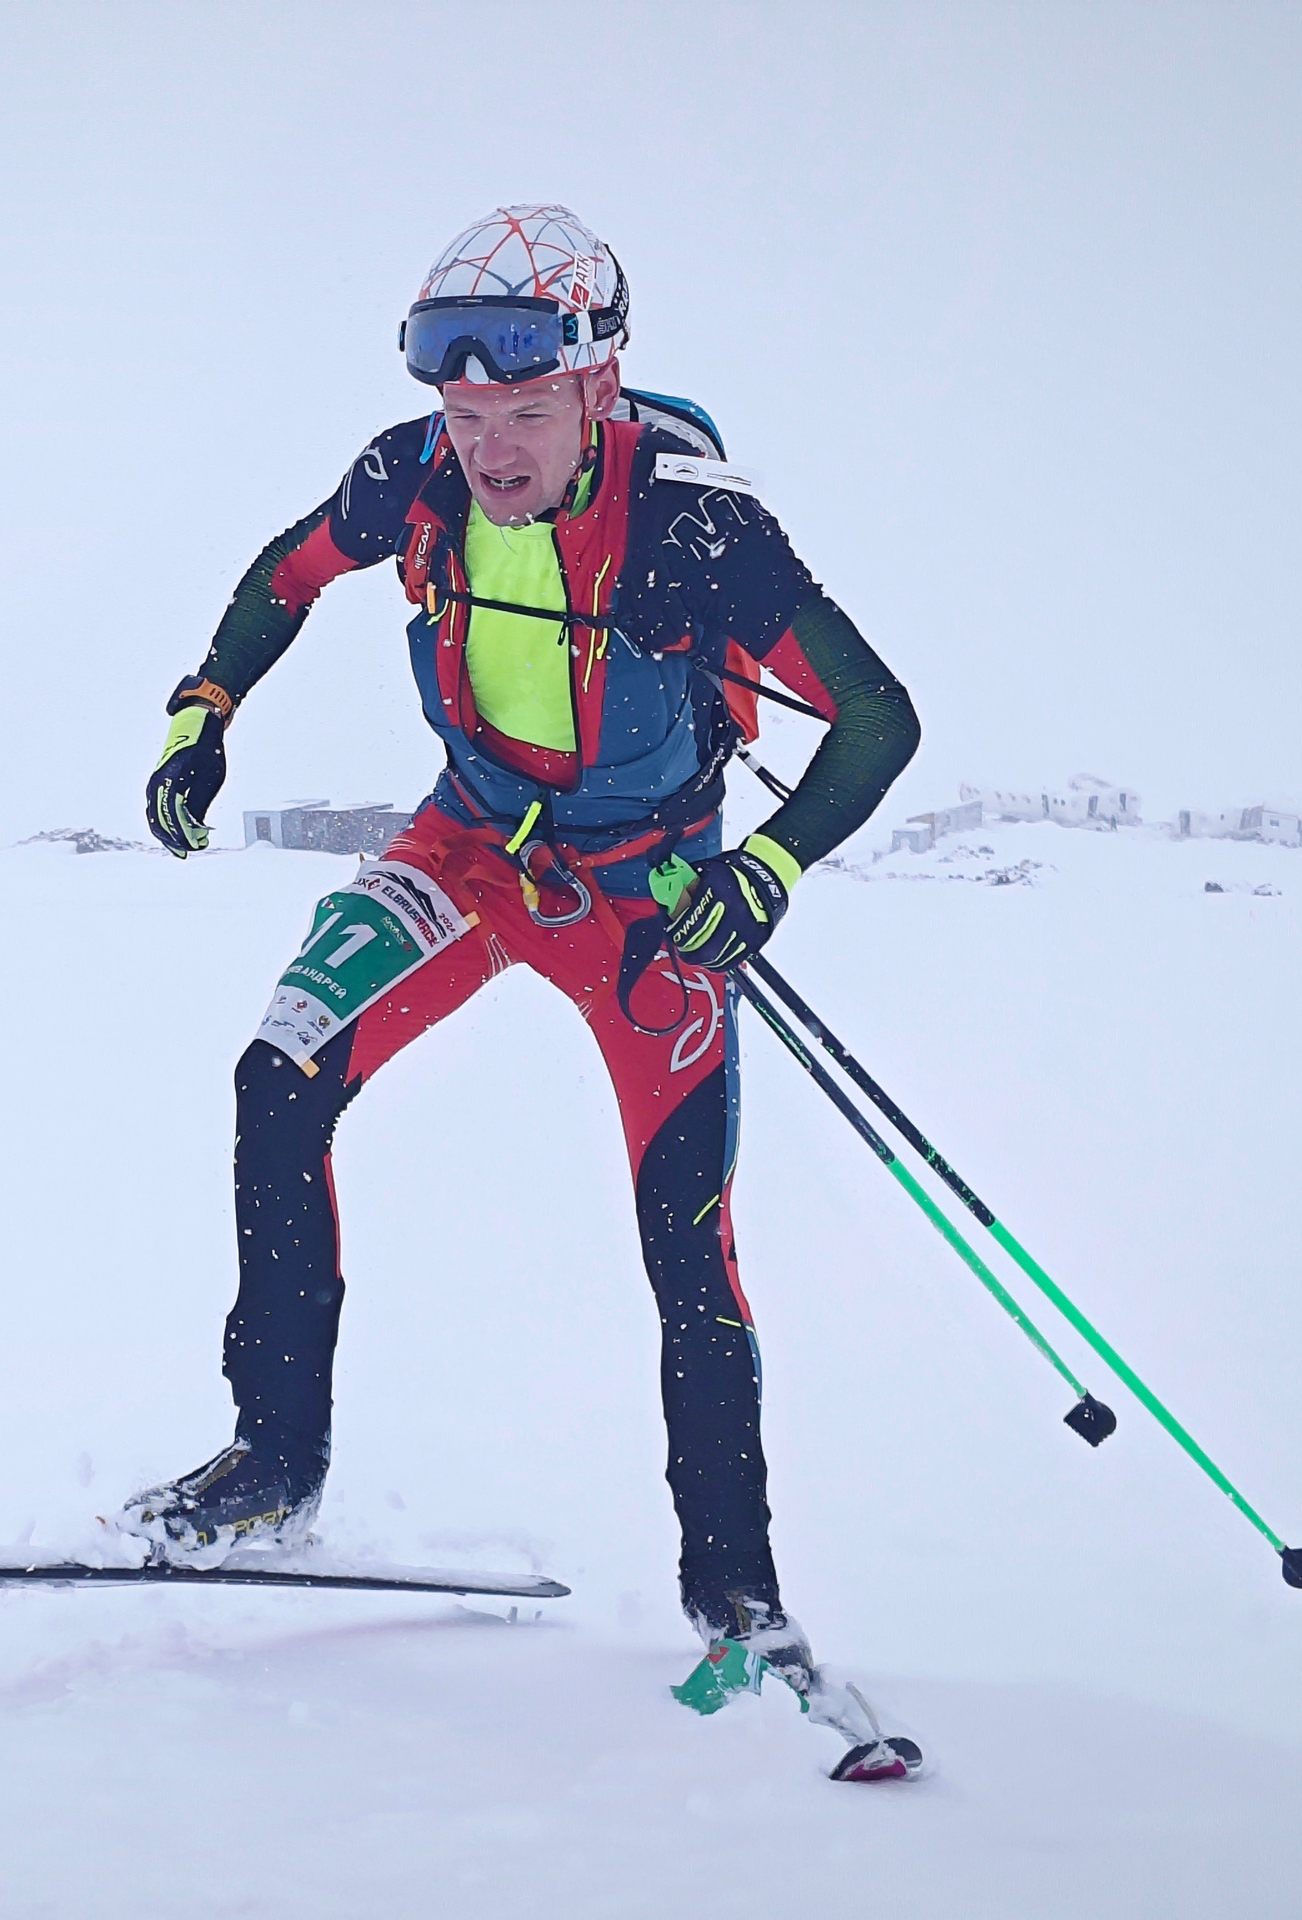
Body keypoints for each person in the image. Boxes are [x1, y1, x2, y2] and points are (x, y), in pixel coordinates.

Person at [130, 206, 924, 1779]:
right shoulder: (412, 476)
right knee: (275, 1075)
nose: (489, 447)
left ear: (601, 386)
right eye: (466, 413)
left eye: (525, 413)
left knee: (685, 1245)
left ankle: (738, 1598)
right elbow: (284, 573)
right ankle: (275, 1463)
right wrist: (202, 707)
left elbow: (880, 722)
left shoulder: (695, 524)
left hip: (650, 903)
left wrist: (760, 874)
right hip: (474, 849)